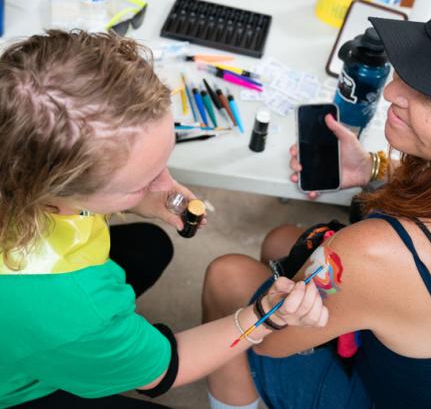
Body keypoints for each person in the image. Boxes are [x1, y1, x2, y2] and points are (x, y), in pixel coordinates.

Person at [0, 30, 329, 408]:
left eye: (164, 162)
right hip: (13, 386)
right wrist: (260, 319)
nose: (167, 185)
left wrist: (137, 194)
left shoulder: (12, 132)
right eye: (143, 181)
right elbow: (166, 370)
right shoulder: (75, 307)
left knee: (150, 246)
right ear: (54, 186)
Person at [202, 0, 431, 409]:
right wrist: (373, 172)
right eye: (410, 68)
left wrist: (272, 318)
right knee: (282, 242)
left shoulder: (375, 253)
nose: (390, 93)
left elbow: (272, 344)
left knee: (227, 279)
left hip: (380, 397)